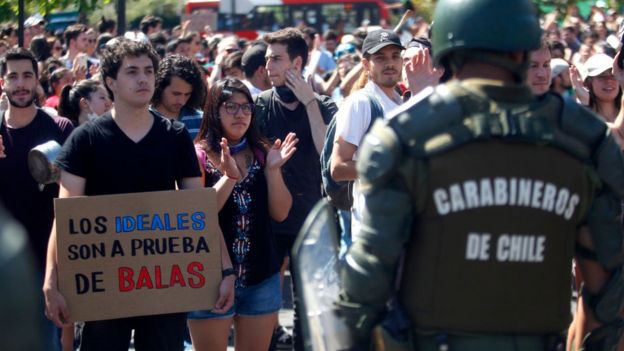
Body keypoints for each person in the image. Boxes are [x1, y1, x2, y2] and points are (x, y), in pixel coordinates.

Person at [334, 0, 624, 350]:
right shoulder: (586, 138)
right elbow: (605, 288)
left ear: (447, 47)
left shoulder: (404, 136)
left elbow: (367, 282)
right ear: (524, 46)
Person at [42, 39, 235, 351]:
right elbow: (65, 218)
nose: (143, 79)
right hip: (102, 286)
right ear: (110, 82)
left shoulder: (174, 137)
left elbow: (198, 213)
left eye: (148, 71)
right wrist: (52, 280)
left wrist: (224, 270)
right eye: (132, 72)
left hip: (164, 283)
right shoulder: (85, 140)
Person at [188, 78, 297, 351]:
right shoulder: (198, 155)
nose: (240, 114)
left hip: (261, 276)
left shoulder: (263, 153)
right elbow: (199, 217)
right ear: (214, 110)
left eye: (246, 107)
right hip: (208, 278)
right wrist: (229, 177)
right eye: (231, 107)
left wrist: (273, 171)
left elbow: (281, 213)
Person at [257, 27, 337, 350]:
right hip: (270, 221)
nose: (268, 67)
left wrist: (310, 103)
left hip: (311, 220)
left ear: (297, 62)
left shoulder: (325, 105)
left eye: (276, 59)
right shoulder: (259, 106)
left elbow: (326, 156)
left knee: (308, 310)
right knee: (263, 307)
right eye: (266, 59)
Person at [0, 48, 74, 351]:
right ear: (2, 81)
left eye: (27, 76)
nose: (20, 84)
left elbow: (75, 199)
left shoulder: (60, 129)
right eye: (13, 76)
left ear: (37, 81)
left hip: (47, 264)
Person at [330, 29, 404, 250]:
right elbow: (339, 167)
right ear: (366, 64)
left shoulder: (401, 102)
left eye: (395, 56)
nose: (389, 63)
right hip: (373, 233)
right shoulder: (360, 103)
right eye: (380, 58)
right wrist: (392, 168)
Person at [151, 54, 206, 140]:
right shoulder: (143, 119)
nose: (182, 101)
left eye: (187, 94)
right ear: (159, 87)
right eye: (176, 94)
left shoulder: (202, 121)